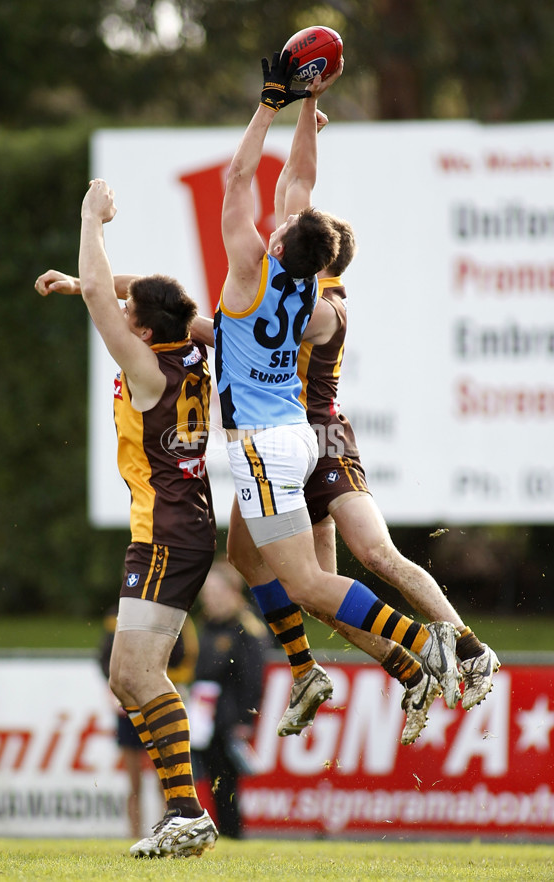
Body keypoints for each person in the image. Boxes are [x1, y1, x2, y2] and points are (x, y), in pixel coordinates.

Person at [214, 49, 462, 732]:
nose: (282, 216)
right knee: (243, 554)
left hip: (266, 445)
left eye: (285, 222)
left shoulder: (247, 274)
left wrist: (269, 103)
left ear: (282, 240)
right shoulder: (313, 291)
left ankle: (424, 642)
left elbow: (241, 177)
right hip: (292, 435)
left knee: (308, 585)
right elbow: (298, 183)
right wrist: (307, 107)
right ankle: (309, 670)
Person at [35, 180, 218, 859]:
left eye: (127, 310)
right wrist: (89, 287)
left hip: (167, 532)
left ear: (143, 330)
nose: (119, 307)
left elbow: (107, 300)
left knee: (137, 677)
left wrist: (90, 219)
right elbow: (130, 296)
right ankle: (183, 813)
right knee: (127, 677)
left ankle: (185, 812)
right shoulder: (193, 344)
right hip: (178, 528)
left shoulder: (145, 369)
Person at [98, 606, 199, 837]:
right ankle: (134, 835)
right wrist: (118, 685)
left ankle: (167, 831)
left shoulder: (171, 609)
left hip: (158, 702)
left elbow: (185, 657)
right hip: (130, 705)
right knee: (134, 783)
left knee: (164, 780)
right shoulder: (119, 613)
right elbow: (106, 658)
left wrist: (155, 682)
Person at [189, 561, 269, 839]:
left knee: (226, 780)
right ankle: (218, 831)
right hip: (203, 716)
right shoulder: (205, 626)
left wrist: (246, 719)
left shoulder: (246, 629)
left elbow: (253, 679)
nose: (210, 598)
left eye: (216, 591)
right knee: (209, 778)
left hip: (229, 716)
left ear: (233, 591)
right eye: (207, 592)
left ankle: (233, 833)